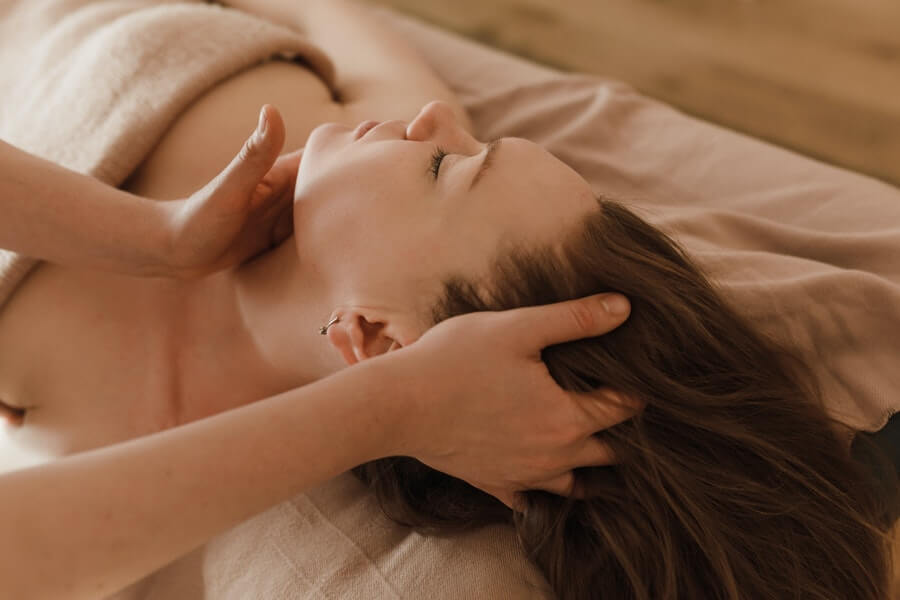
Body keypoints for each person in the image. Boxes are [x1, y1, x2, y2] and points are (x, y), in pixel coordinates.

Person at [0, 2, 894, 600]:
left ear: (380, 340)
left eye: (446, 167)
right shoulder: (352, 153)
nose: (435, 120)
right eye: (474, 145)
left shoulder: (98, 445)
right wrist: (149, 236)